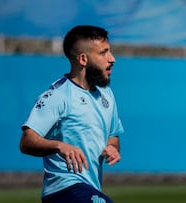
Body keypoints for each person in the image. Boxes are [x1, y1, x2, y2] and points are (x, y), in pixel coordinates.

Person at [19, 25, 124, 203]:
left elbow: (113, 135)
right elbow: (26, 141)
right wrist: (59, 146)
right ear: (83, 59)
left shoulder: (106, 95)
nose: (112, 59)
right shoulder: (58, 96)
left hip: (89, 188)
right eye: (103, 53)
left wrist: (112, 147)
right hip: (63, 190)